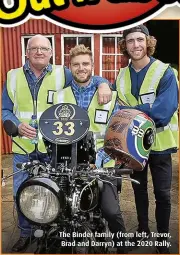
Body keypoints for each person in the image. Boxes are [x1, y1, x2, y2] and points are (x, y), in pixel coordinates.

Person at [1, 34, 113, 253]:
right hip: (23, 147)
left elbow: (86, 75)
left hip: (50, 147)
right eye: (34, 48)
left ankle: (48, 231)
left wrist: (103, 84)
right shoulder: (13, 76)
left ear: (51, 52)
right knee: (21, 194)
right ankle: (26, 234)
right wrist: (15, 123)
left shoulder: (63, 73)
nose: (39, 52)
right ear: (27, 52)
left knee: (54, 194)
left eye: (44, 48)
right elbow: (5, 108)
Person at [53, 44, 130, 253]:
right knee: (60, 210)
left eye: (85, 63)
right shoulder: (59, 97)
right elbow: (51, 132)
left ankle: (122, 246)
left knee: (111, 211)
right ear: (70, 67)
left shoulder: (110, 96)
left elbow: (118, 133)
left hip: (103, 165)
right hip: (69, 165)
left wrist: (102, 159)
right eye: (76, 64)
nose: (81, 68)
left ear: (93, 66)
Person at [115, 25, 178, 254]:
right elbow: (116, 109)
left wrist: (132, 110)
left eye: (140, 40)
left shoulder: (165, 72)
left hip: (159, 143)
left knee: (162, 193)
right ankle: (143, 230)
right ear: (125, 46)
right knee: (139, 190)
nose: (136, 45)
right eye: (130, 41)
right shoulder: (121, 75)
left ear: (148, 42)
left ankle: (162, 238)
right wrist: (141, 109)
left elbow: (164, 110)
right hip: (133, 145)